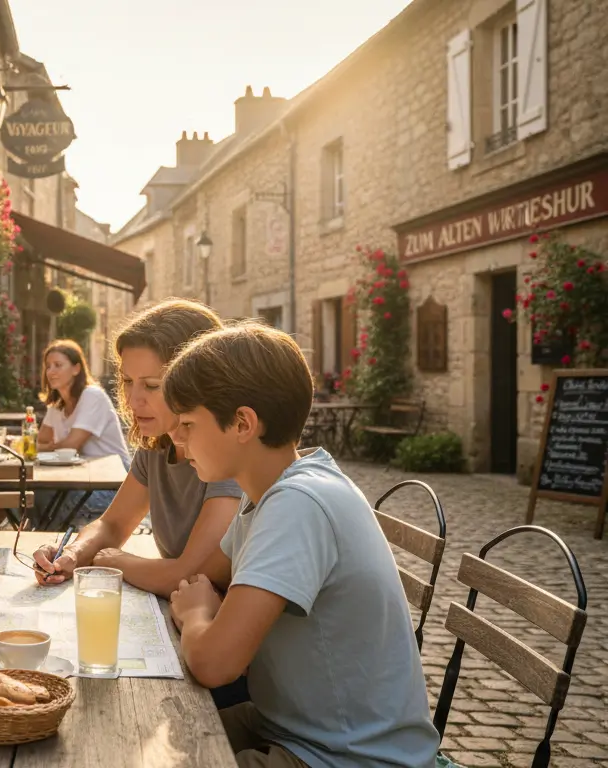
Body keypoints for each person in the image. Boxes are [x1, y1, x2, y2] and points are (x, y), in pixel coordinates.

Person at [164, 323, 440, 768]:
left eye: (188, 424)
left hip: (348, 755)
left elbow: (215, 663)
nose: (175, 439)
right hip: (292, 726)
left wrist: (196, 615)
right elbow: (213, 573)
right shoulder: (273, 490)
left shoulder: (297, 503)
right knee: (151, 727)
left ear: (242, 423)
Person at [30, 300, 246, 708]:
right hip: (181, 634)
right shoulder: (156, 444)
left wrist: (114, 562)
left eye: (151, 385)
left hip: (222, 660)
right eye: (127, 382)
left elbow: (191, 572)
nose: (132, 400)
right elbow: (113, 524)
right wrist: (72, 554)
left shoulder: (224, 453)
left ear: (195, 382)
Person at [35, 339, 131, 523]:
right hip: (78, 481)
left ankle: (52, 540)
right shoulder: (56, 407)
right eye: (48, 366)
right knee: (31, 495)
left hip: (113, 486)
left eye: (58, 365)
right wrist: (54, 447)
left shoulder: (92, 395)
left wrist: (51, 447)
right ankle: (48, 540)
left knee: (43, 498)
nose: (51, 371)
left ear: (76, 369)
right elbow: (38, 444)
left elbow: (72, 445)